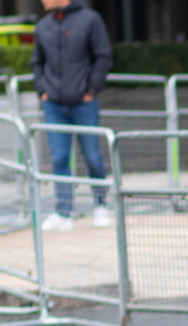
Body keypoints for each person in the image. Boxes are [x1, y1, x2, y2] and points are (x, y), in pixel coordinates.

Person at [30, 0, 113, 232]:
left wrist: (91, 90)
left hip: (83, 103)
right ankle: (63, 211)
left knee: (92, 155)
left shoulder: (90, 19)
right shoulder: (43, 26)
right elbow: (37, 62)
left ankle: (100, 205)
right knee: (59, 158)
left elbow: (103, 56)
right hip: (54, 104)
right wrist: (43, 92)